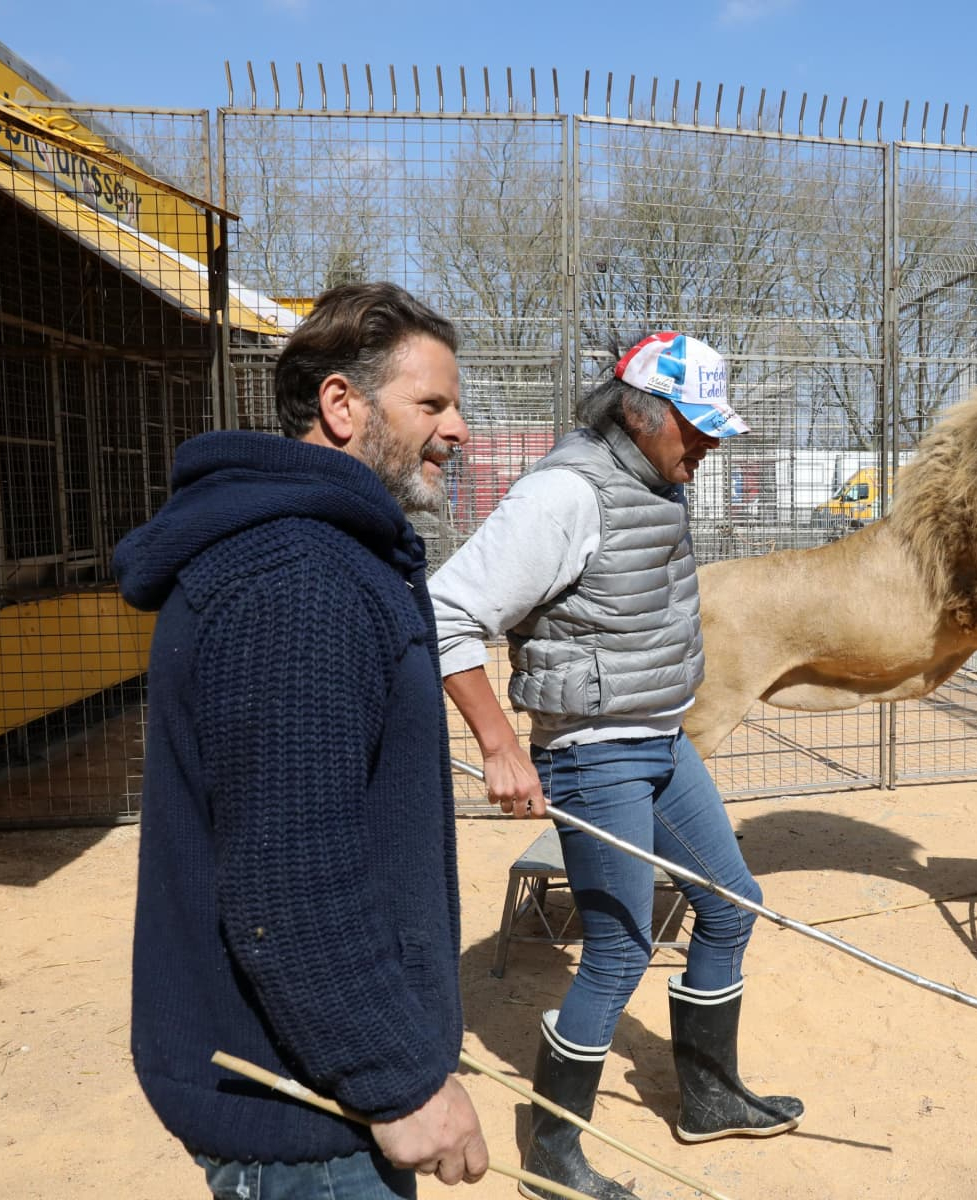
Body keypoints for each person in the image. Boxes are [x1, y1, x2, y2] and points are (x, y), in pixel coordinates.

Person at [114, 282, 489, 1198]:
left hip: (323, 1088)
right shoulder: (299, 579)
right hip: (309, 1119)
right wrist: (398, 1081)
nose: (460, 430)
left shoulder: (330, 554)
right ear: (341, 404)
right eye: (432, 404)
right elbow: (292, 881)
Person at [432, 332, 802, 1200]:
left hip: (661, 740)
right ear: (641, 413)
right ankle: (552, 1154)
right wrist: (499, 745)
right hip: (595, 754)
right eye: (697, 427)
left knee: (731, 901)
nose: (709, 445)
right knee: (619, 952)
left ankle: (707, 1097)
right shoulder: (564, 495)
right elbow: (446, 614)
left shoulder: (657, 477)